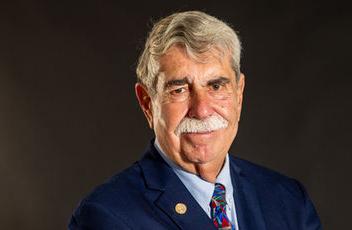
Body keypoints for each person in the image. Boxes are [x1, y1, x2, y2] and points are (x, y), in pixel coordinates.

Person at [69, 11, 322, 230]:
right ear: (147, 103)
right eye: (179, 89)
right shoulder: (106, 216)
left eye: (215, 85)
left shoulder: (288, 201)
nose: (201, 110)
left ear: (239, 94)